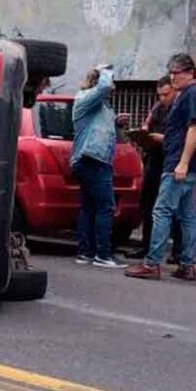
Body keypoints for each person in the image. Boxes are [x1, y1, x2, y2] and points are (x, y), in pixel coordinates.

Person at [126, 53, 196, 281]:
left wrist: (182, 162)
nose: (173, 76)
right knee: (187, 215)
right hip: (184, 164)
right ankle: (186, 263)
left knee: (162, 211)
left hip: (179, 165)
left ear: (190, 72)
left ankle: (152, 264)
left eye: (177, 72)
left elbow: (194, 129)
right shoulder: (189, 94)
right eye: (170, 72)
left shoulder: (192, 94)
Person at [70, 65, 127, 269]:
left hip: (90, 160)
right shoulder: (86, 98)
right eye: (110, 82)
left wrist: (115, 122)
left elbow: (98, 127)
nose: (112, 87)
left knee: (89, 207)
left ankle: (86, 253)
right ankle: (103, 254)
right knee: (105, 207)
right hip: (92, 160)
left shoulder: (98, 105)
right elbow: (103, 87)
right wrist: (106, 70)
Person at [126, 76, 182, 261]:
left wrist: (163, 138)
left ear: (174, 91)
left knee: (173, 207)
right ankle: (146, 246)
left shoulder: (180, 107)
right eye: (160, 95)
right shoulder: (158, 107)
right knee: (148, 204)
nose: (163, 98)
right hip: (154, 159)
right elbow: (147, 123)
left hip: (172, 160)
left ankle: (177, 251)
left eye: (166, 94)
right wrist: (143, 132)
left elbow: (182, 138)